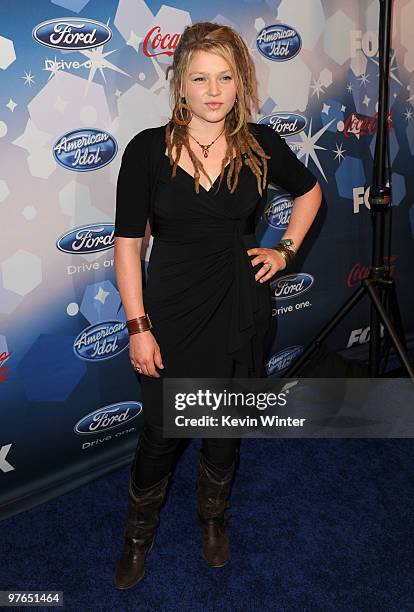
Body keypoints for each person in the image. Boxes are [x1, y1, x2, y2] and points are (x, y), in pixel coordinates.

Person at [113, 21, 322, 589]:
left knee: (225, 426)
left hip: (241, 306)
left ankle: (213, 519)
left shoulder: (259, 144)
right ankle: (138, 533)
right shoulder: (146, 151)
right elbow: (129, 246)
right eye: (200, 77)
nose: (213, 90)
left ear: (241, 82)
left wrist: (283, 250)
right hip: (172, 311)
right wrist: (138, 326)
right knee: (161, 431)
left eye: (226, 77)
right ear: (180, 83)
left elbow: (309, 192)